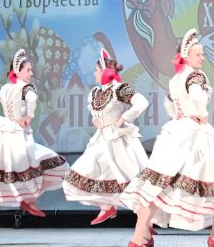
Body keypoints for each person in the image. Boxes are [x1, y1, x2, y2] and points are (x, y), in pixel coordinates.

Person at [121, 29, 214, 247]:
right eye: (199, 54)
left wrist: (181, 113)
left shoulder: (176, 78)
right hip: (194, 135)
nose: (203, 58)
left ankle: (138, 238)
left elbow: (171, 105)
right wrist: (201, 113)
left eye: (202, 54)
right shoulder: (196, 76)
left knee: (159, 184)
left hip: (175, 131)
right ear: (186, 56)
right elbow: (197, 97)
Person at [0, 49, 70, 245]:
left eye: (31, 69)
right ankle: (27, 201)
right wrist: (29, 116)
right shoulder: (26, 88)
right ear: (17, 71)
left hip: (0, 139)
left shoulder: (3, 89)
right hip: (17, 138)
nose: (31, 73)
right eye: (28, 70)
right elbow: (32, 98)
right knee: (39, 166)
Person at [62, 49, 150, 224]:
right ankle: (107, 206)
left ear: (104, 71)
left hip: (118, 140)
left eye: (96, 70)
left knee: (128, 178)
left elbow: (142, 102)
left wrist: (124, 118)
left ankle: (145, 222)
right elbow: (97, 114)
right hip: (101, 139)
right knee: (93, 171)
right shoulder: (96, 92)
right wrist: (96, 121)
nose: (94, 73)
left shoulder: (119, 89)